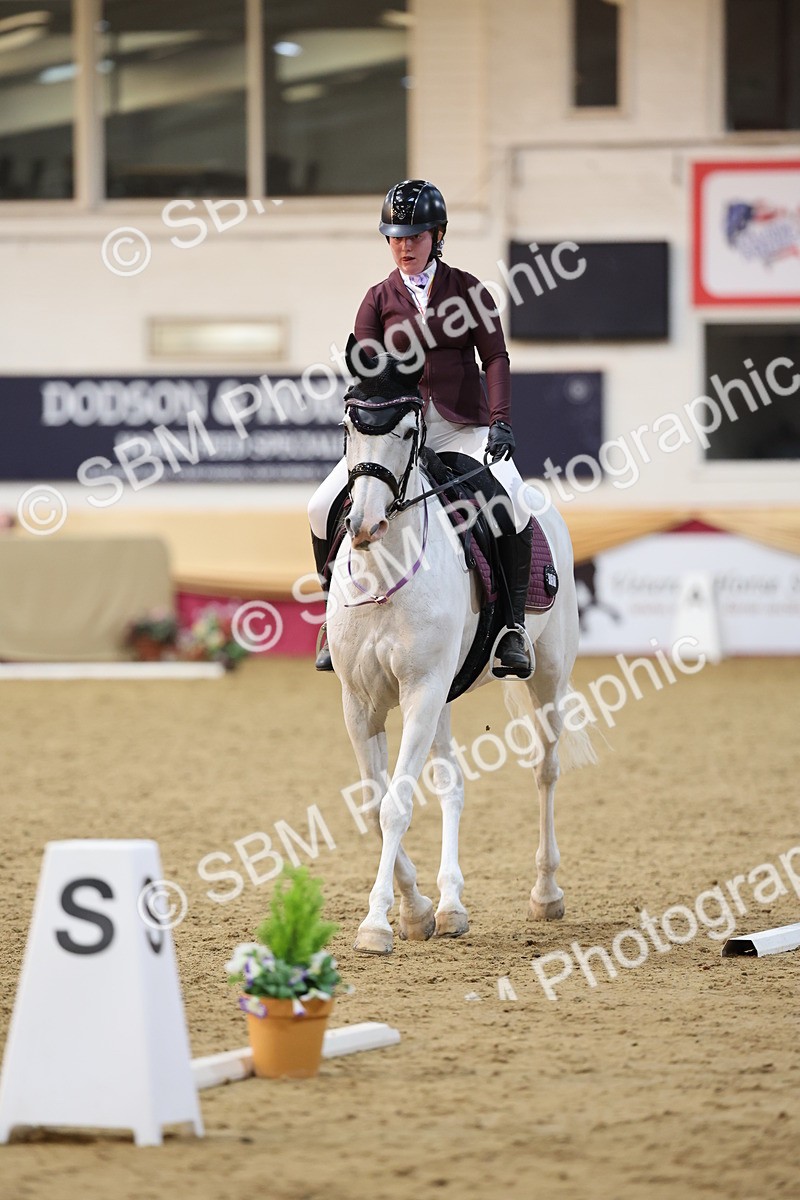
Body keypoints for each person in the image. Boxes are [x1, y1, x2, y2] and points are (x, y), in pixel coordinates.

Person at [308, 178, 533, 677]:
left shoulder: (469, 291)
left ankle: (512, 629)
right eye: (396, 236)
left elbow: (494, 357)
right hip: (399, 434)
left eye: (415, 235)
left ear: (438, 235)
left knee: (512, 500)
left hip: (461, 429)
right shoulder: (377, 299)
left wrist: (499, 423)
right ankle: (332, 618)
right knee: (321, 505)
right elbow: (368, 373)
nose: (405, 246)